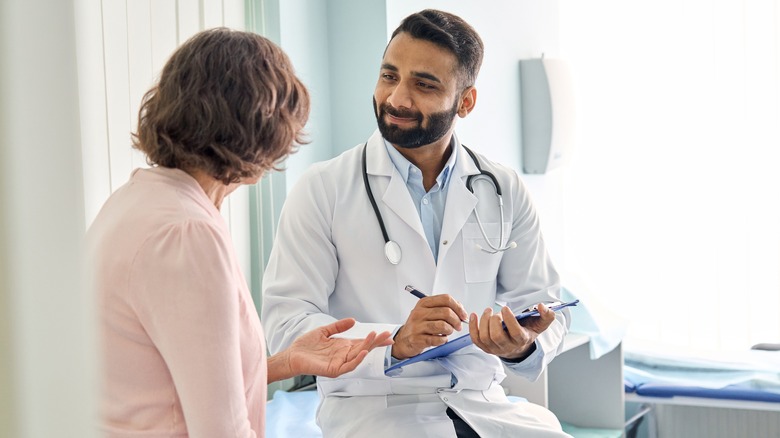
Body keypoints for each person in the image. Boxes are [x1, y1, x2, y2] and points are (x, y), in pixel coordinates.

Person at [261, 9, 572, 438]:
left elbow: (545, 306)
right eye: (389, 76)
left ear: (466, 101)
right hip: (374, 409)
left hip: (481, 405)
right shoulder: (323, 190)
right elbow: (286, 326)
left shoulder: (502, 188)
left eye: (424, 85)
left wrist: (522, 345)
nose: (397, 99)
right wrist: (396, 339)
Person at [86, 28, 392, 437]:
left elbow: (178, 383)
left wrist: (288, 362)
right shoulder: (187, 234)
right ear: (263, 127)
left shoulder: (135, 199)